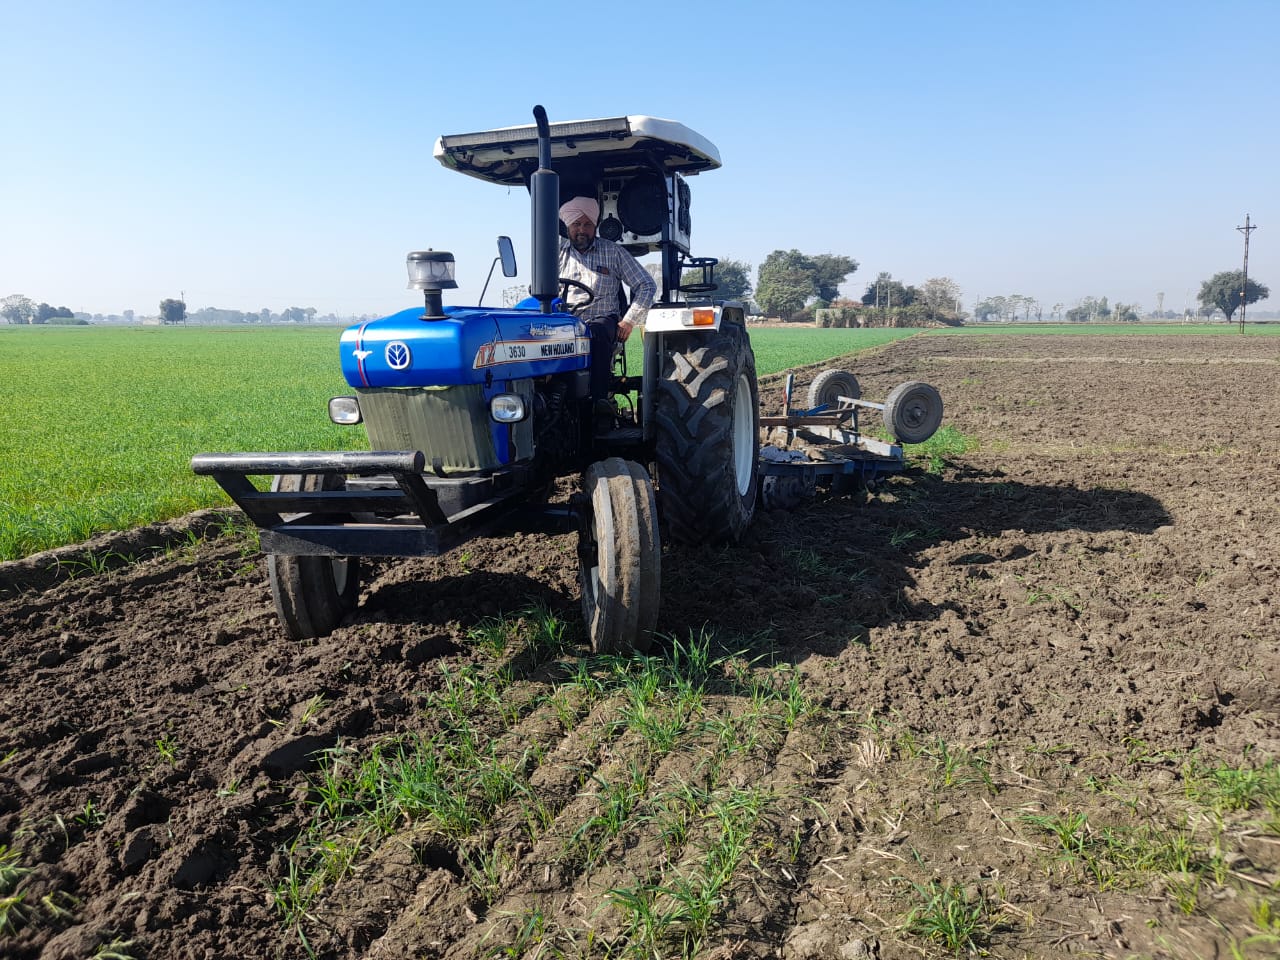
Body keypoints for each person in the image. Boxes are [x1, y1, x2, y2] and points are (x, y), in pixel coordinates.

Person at [557, 196, 657, 404]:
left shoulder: (613, 252)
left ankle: (598, 401)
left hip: (602, 319)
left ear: (595, 226)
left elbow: (646, 284)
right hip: (565, 322)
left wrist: (629, 321)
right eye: (576, 224)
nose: (582, 230)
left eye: (587, 224)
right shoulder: (556, 255)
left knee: (597, 331)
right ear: (568, 226)